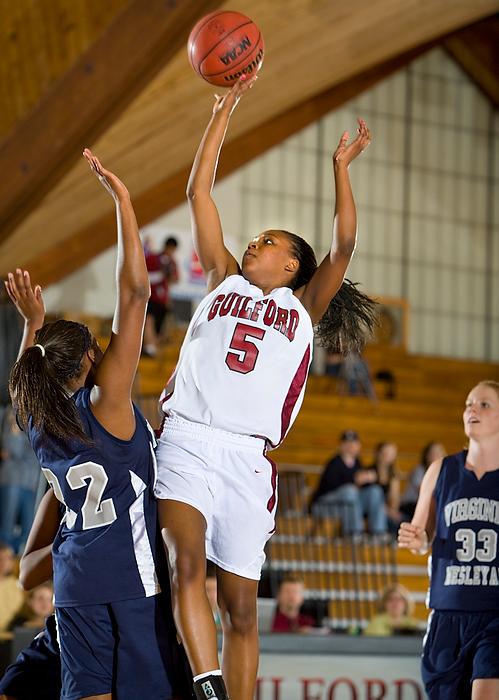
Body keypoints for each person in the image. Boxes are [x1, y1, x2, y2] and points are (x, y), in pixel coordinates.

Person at [155, 73, 375, 700]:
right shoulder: (222, 276)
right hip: (188, 441)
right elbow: (198, 189)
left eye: (270, 241)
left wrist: (340, 167)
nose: (256, 241)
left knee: (243, 611)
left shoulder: (306, 307)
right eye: (256, 237)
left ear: (292, 266)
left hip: (249, 461)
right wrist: (223, 110)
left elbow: (345, 243)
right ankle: (206, 686)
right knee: (185, 566)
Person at [5, 150, 186, 700]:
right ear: (90, 358)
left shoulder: (41, 422)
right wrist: (124, 203)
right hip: (130, 582)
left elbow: (23, 382)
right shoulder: (106, 405)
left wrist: (32, 327)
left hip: (75, 586)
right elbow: (134, 296)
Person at [398, 381, 499, 700]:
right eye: (469, 403)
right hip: (446, 612)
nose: (472, 409)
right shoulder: (441, 470)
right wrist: (415, 538)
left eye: (484, 404)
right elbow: (422, 536)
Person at [311, 431, 387, 536]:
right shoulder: (334, 462)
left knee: (375, 491)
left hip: (351, 503)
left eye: (354, 444)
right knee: (350, 491)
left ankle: (378, 533)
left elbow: (361, 486)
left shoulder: (357, 462)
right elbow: (331, 485)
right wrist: (355, 480)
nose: (351, 447)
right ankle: (354, 534)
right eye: (348, 444)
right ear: (341, 446)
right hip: (326, 504)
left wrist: (369, 479)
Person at [0, 404, 41, 553]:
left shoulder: (38, 416)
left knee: (28, 530)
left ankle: (13, 559)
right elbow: (11, 449)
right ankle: (4, 563)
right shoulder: (11, 413)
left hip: (30, 482)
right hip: (11, 479)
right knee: (6, 527)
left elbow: (36, 453)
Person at [143, 235, 179, 356]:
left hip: (162, 300)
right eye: (170, 249)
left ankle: (152, 347)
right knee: (149, 321)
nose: (171, 252)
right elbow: (144, 275)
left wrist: (168, 274)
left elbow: (174, 279)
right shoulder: (153, 258)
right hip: (151, 297)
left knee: (159, 328)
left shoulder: (171, 262)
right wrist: (161, 273)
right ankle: (149, 348)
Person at [400, 441, 446, 520]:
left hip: (428, 504)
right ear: (427, 456)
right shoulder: (419, 470)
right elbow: (424, 493)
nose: (438, 455)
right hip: (411, 505)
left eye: (440, 452)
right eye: (434, 453)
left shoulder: (444, 472)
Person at [369, 442, 404, 534]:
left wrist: (393, 511)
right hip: (373, 511)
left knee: (404, 522)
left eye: (392, 454)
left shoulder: (393, 476)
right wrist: (389, 512)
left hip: (388, 511)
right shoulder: (370, 473)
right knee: (391, 522)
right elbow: (372, 501)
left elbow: (395, 501)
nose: (388, 456)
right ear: (378, 453)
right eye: (386, 453)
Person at [0, 542, 24, 633]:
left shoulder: (17, 585)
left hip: (10, 634)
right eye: (1, 559)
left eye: (8, 559)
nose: (4, 563)